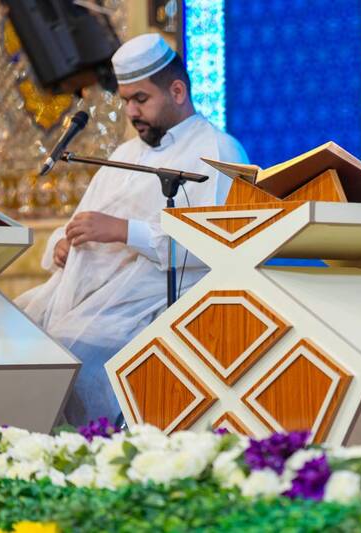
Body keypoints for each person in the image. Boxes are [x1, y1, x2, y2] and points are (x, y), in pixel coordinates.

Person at [17, 33, 248, 425]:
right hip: (86, 294)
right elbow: (81, 221)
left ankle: (89, 452)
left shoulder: (218, 150)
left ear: (177, 91)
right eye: (125, 100)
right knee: (16, 332)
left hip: (153, 306)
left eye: (141, 99)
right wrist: (61, 244)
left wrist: (125, 231)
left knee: (69, 352)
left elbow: (215, 245)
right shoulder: (125, 154)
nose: (131, 111)